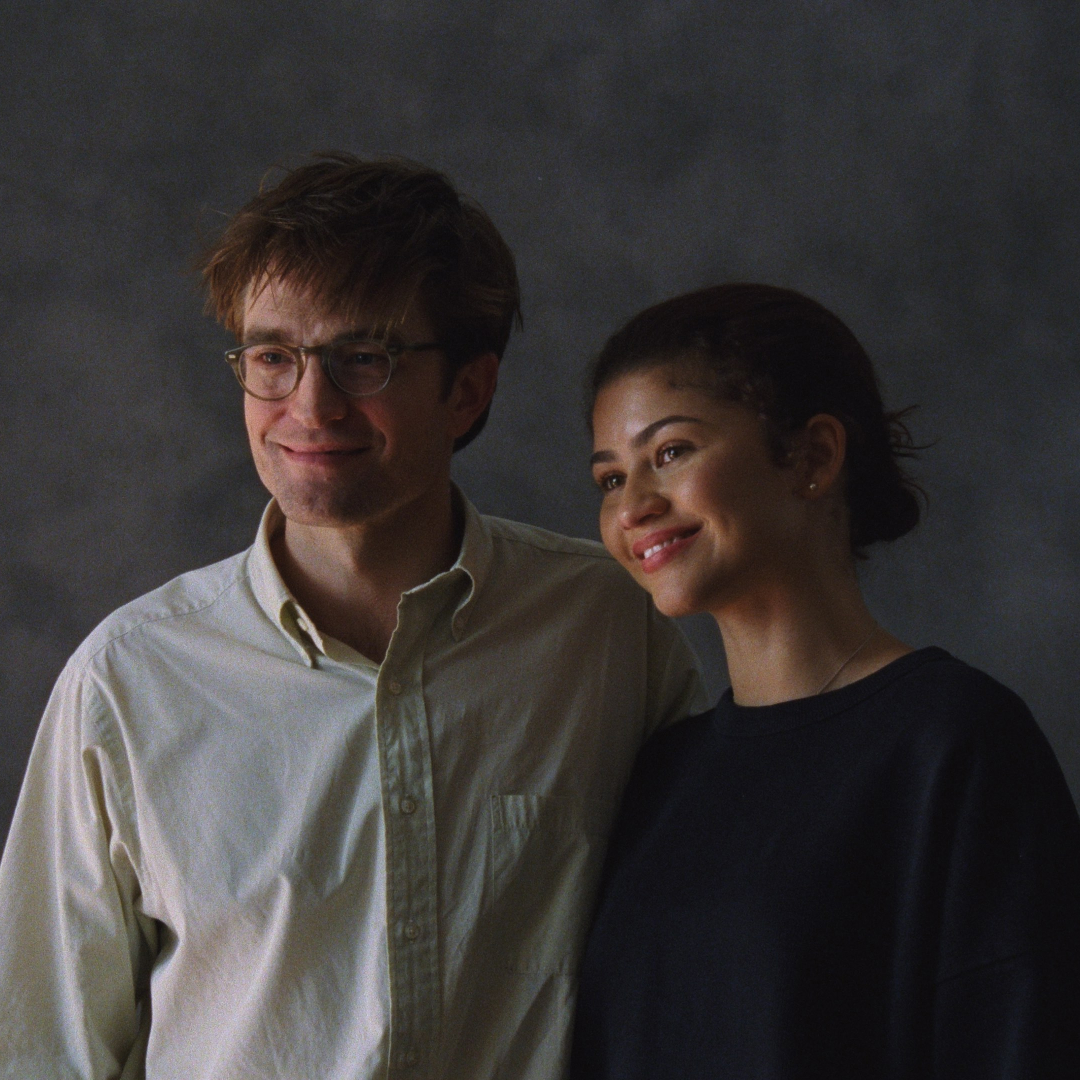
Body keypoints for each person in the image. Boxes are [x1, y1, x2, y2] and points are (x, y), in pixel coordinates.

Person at [0, 154, 706, 1079]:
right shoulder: (129, 680)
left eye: (361, 358)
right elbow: (43, 1047)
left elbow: (696, 958)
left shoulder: (607, 630)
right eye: (272, 357)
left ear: (469, 389)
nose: (310, 405)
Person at [570, 283, 1080, 1078]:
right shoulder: (660, 773)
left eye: (670, 453)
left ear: (813, 455)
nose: (632, 506)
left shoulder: (955, 744)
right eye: (609, 478)